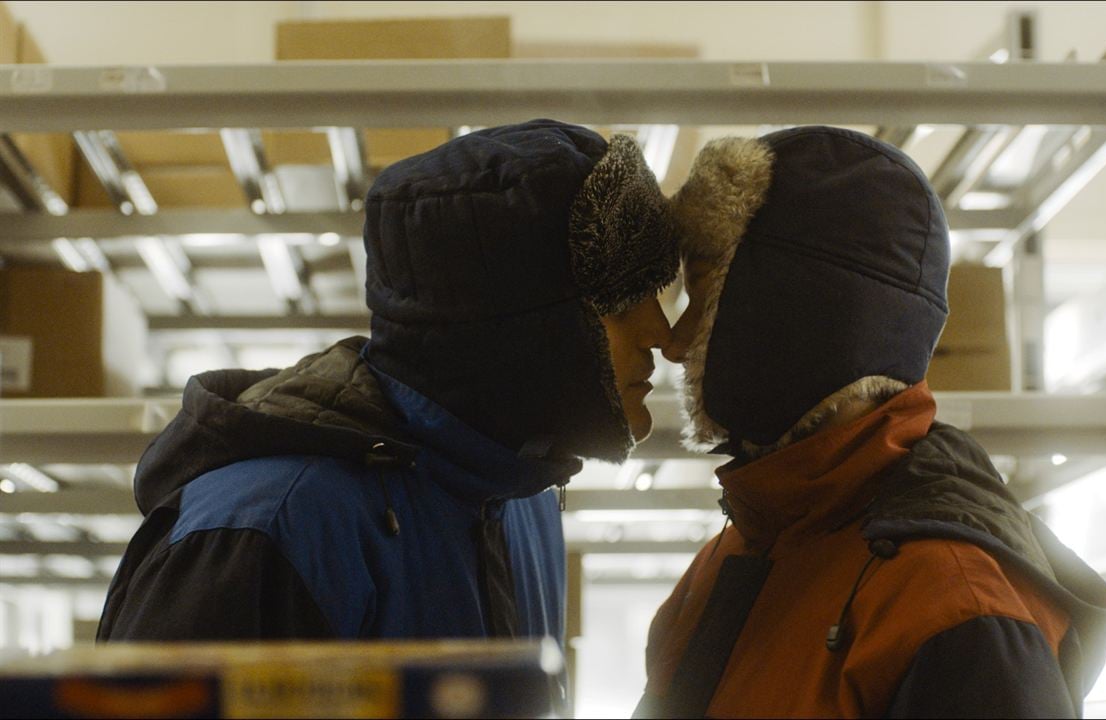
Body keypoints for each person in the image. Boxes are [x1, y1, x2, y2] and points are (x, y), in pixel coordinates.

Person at [97, 120, 677, 659]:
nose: (661, 334)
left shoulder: (524, 500)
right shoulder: (264, 532)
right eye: (620, 301)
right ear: (514, 329)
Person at [636, 126, 1106, 718]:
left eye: (705, 302)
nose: (676, 344)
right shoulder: (736, 554)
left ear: (795, 317)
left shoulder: (957, 604)